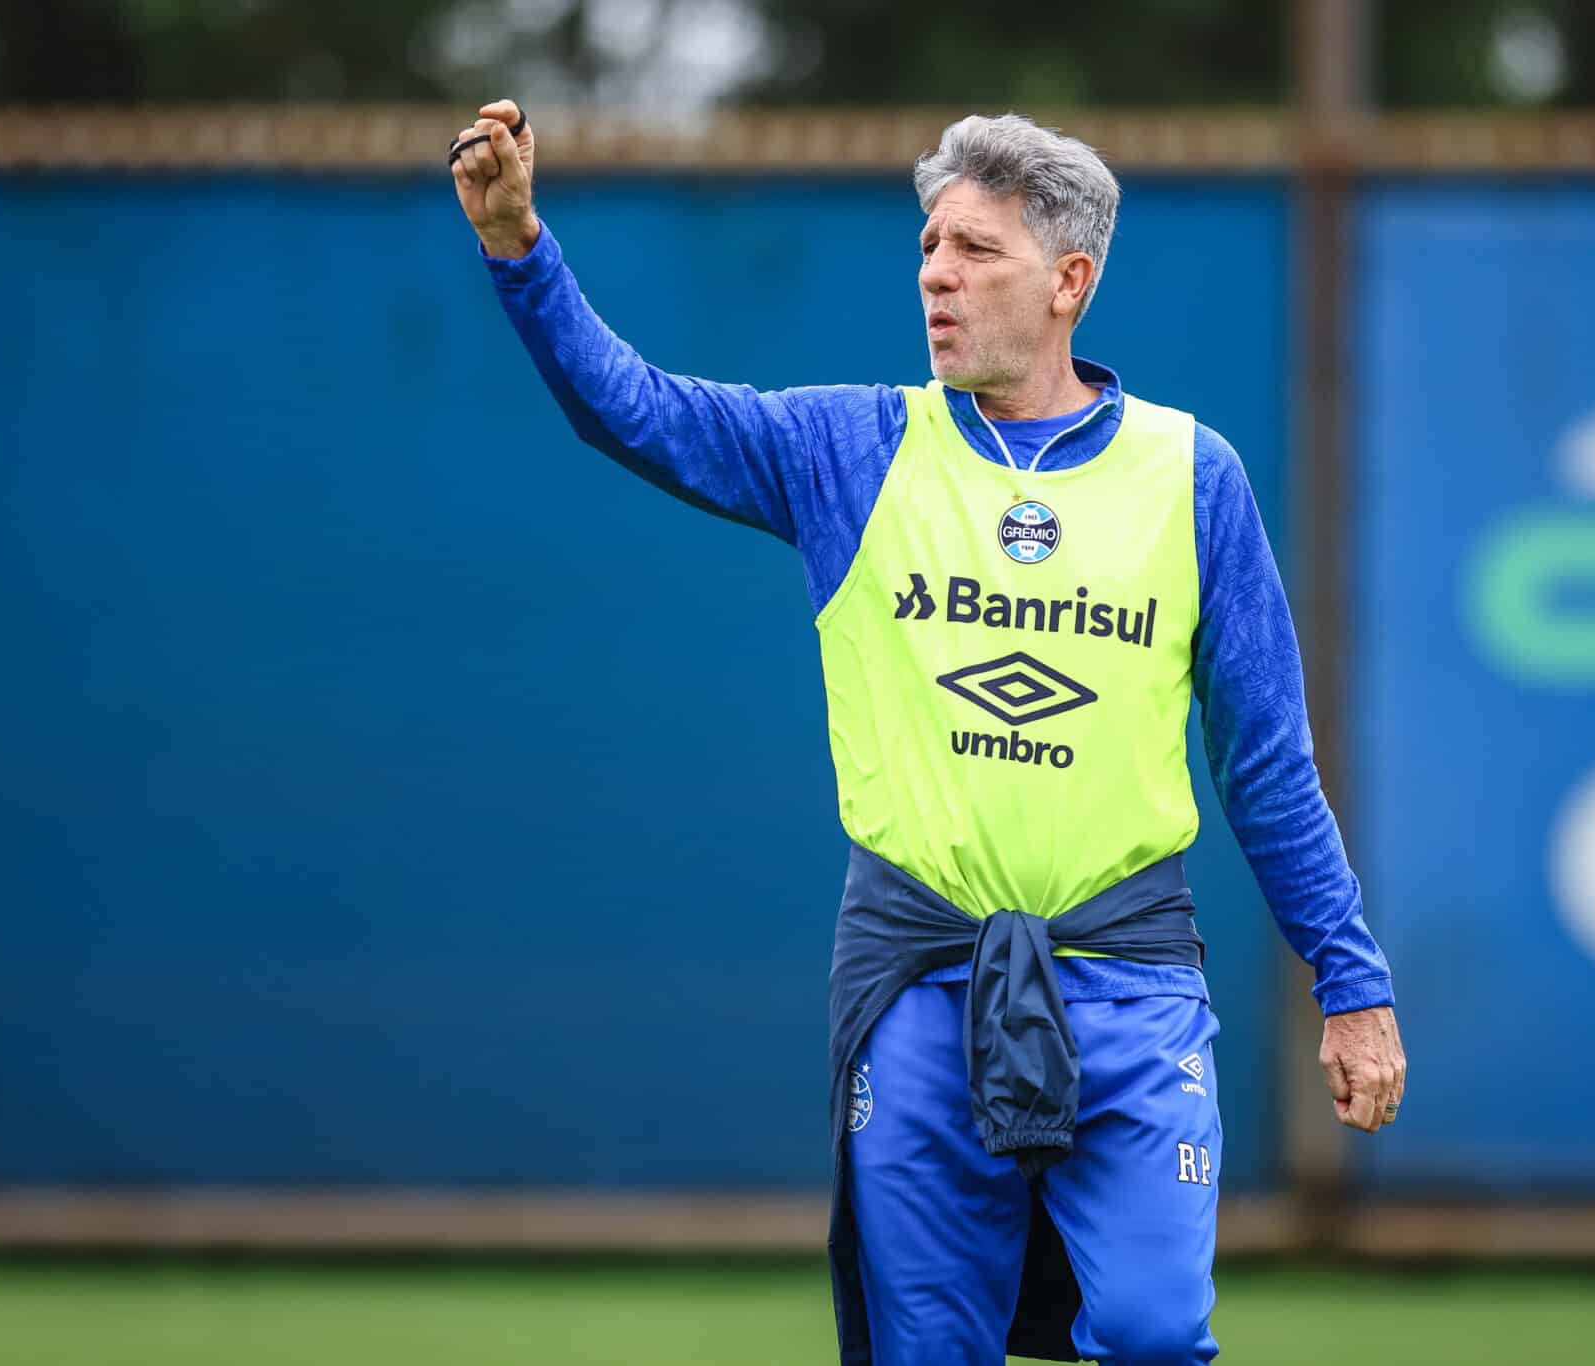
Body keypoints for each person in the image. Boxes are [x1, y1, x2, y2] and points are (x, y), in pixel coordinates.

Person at [453, 101, 1405, 1366]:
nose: (934, 277)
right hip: (915, 982)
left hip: (1129, 981)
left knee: (1152, 1328)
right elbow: (638, 409)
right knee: (926, 1347)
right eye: (926, 249)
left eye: (973, 251)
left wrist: (1352, 985)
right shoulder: (855, 446)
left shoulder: (1191, 475)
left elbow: (1266, 765)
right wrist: (521, 247)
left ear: (1069, 281)